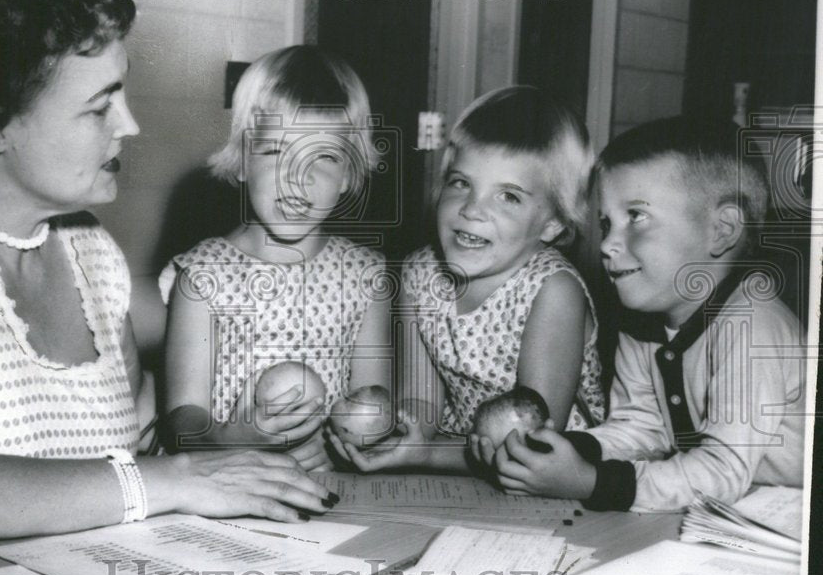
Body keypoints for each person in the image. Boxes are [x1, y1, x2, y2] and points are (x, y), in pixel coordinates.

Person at [0, 0, 332, 560]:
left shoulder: (90, 249)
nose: (130, 124)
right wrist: (171, 480)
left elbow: (136, 452)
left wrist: (254, 440)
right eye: (98, 106)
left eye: (123, 91)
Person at [490, 118, 806, 511]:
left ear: (722, 230)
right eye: (606, 223)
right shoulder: (642, 322)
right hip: (739, 505)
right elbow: (643, 429)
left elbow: (723, 470)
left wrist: (591, 482)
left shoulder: (753, 323)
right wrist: (561, 452)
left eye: (635, 217)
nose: (607, 244)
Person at [333, 86, 604, 474]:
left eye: (508, 196)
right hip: (456, 459)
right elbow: (421, 404)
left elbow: (535, 443)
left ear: (553, 223)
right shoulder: (419, 274)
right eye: (461, 182)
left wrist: (424, 456)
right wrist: (402, 441)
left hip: (550, 473)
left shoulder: (553, 291)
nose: (473, 209)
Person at [161, 46, 391, 471]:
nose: (296, 178)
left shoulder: (366, 277)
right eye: (275, 151)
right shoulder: (203, 277)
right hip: (225, 479)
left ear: (348, 173)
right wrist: (239, 439)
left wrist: (344, 446)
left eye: (323, 156)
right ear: (243, 160)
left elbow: (373, 407)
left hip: (328, 486)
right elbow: (181, 422)